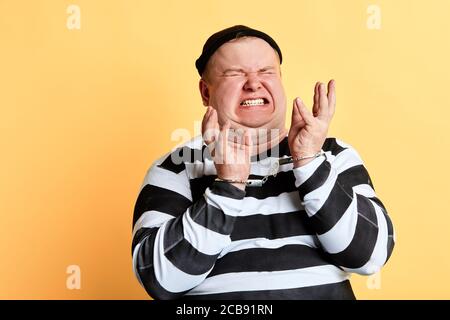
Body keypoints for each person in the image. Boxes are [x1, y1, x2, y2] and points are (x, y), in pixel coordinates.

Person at [131, 25, 395, 300]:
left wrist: (309, 163)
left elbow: (370, 257)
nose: (254, 83)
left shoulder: (332, 154)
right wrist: (228, 186)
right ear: (205, 92)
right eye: (235, 73)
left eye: (266, 71)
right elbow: (159, 279)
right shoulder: (177, 166)